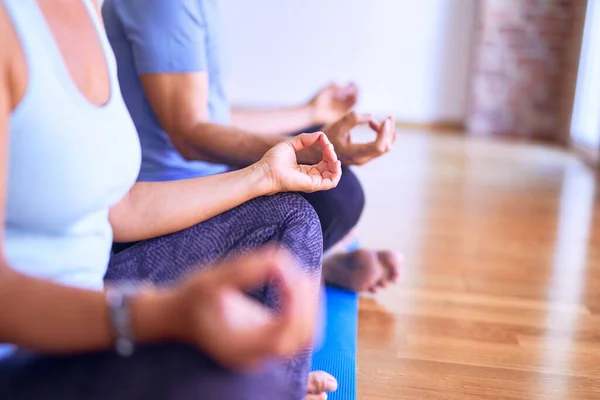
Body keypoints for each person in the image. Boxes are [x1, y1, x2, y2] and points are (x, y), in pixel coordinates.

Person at [0, 0, 342, 399]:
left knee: (290, 216)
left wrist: (263, 175)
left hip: (96, 290)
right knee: (226, 379)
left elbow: (120, 205)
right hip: (22, 347)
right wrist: (161, 314)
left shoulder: (89, 10)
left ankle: (281, 386)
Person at [102, 0, 402, 294]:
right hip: (157, 216)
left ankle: (309, 266)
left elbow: (213, 117)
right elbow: (189, 135)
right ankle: (299, 273)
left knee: (319, 150)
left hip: (204, 176)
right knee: (337, 195)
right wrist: (304, 154)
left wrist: (310, 112)